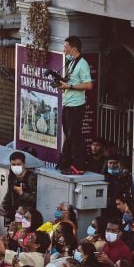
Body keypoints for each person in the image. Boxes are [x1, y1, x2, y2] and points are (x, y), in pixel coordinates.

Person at [55, 36, 92, 174]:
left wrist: (69, 86)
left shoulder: (82, 64)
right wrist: (63, 85)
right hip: (68, 104)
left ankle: (79, 165)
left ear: (74, 49)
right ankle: (66, 162)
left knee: (75, 136)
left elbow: (88, 85)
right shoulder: (71, 63)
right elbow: (71, 82)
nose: (64, 50)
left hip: (76, 106)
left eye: (66, 47)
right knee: (69, 135)